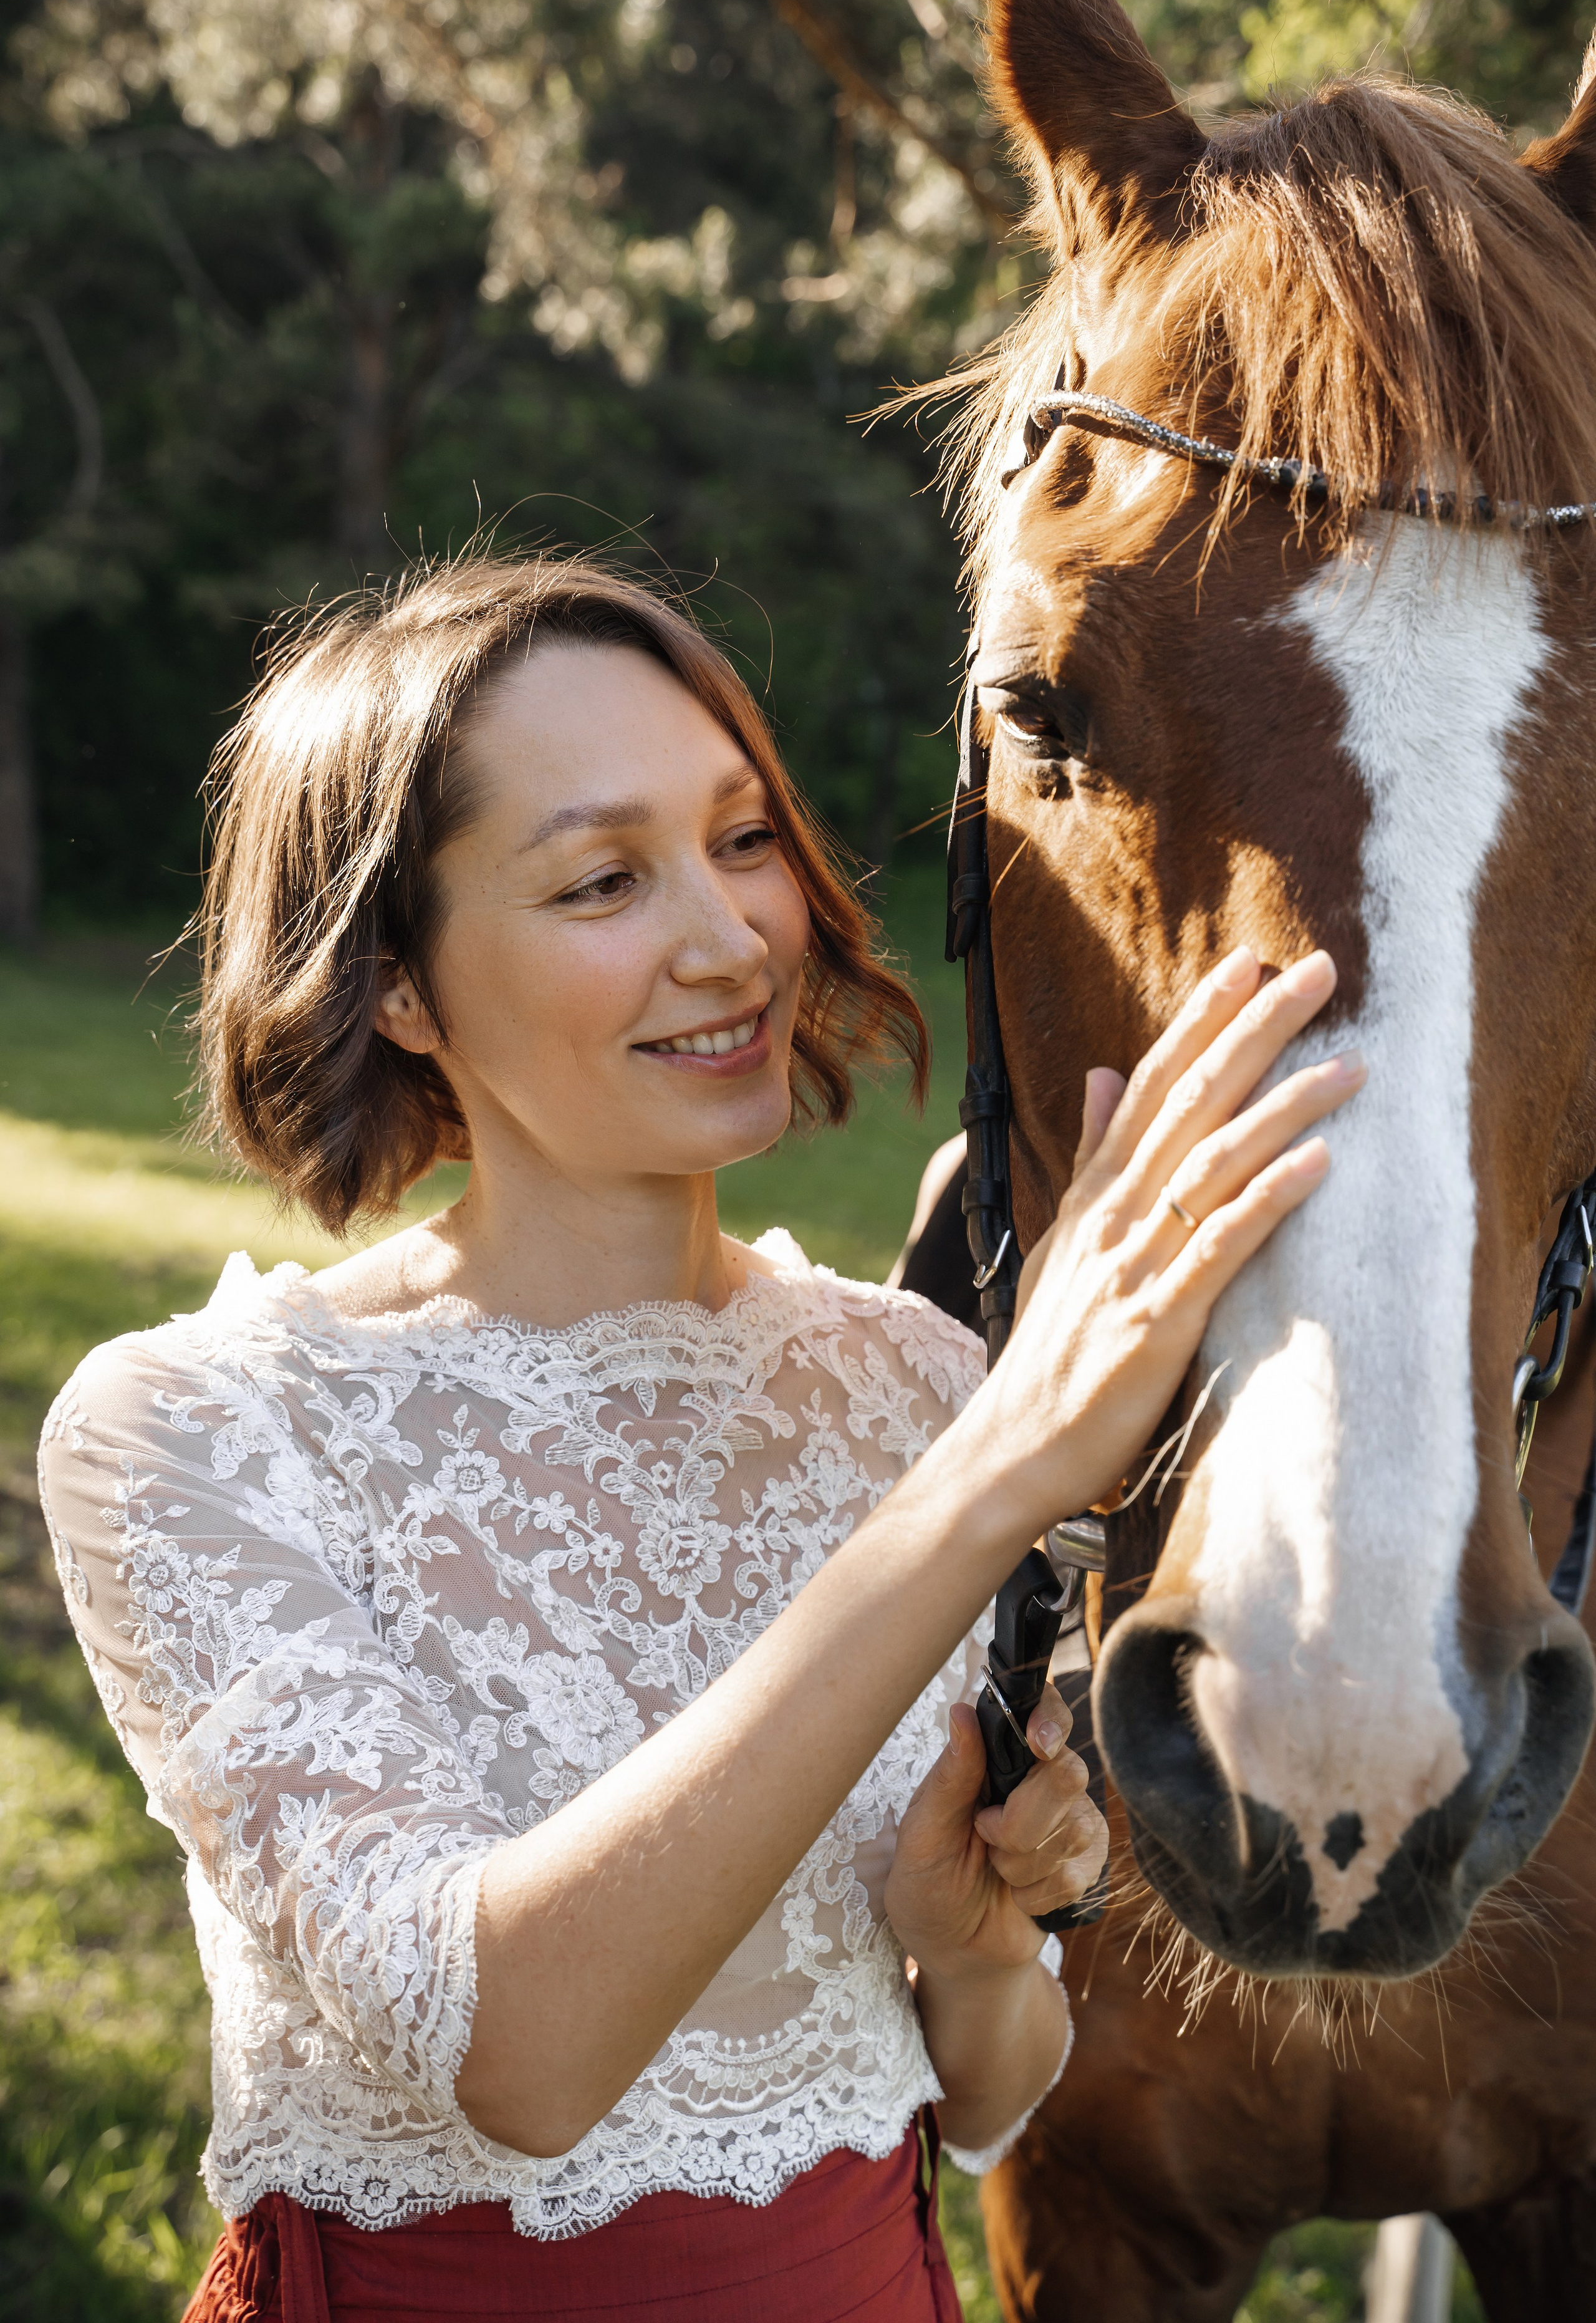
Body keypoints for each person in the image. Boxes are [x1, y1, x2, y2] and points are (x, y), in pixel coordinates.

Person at [36, 556, 1362, 2323]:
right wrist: (998, 1475)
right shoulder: (193, 1430)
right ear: (401, 983)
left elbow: (983, 2090)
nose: (734, 936)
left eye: (745, 840)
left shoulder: (913, 1384)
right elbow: (516, 2057)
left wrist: (975, 1952)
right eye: (602, 878)